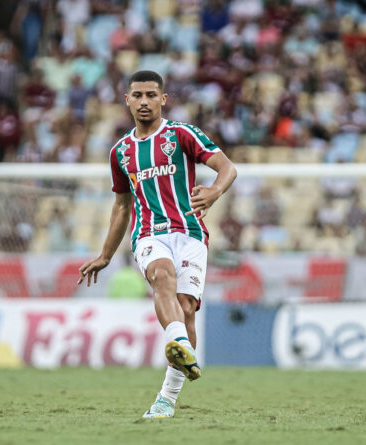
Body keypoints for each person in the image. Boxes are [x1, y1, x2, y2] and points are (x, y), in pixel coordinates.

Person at [77, 70, 237, 419]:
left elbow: (226, 167)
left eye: (152, 95)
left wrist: (214, 190)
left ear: (163, 99)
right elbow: (122, 205)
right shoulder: (120, 152)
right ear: (127, 100)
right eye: (138, 95)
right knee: (162, 276)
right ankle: (178, 342)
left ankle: (166, 399)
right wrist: (105, 254)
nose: (144, 101)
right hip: (149, 233)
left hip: (192, 232)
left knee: (186, 309)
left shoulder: (181, 134)